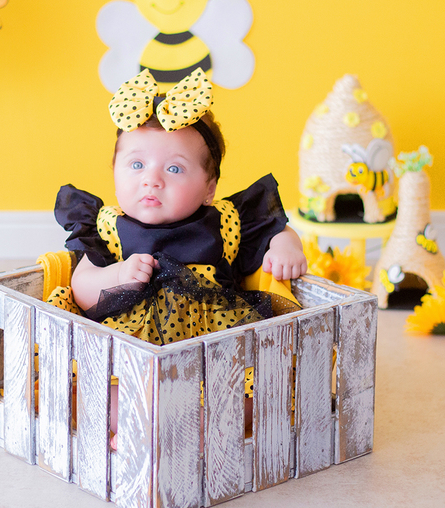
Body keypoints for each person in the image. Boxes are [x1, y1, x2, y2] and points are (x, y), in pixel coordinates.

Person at [48, 67, 307, 345]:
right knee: (116, 382)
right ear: (114, 174)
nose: (152, 180)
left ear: (209, 189)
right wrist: (119, 275)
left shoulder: (227, 220)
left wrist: (286, 247)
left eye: (174, 168)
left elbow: (275, 229)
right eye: (137, 165)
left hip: (215, 343)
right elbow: (81, 288)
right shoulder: (107, 226)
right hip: (131, 346)